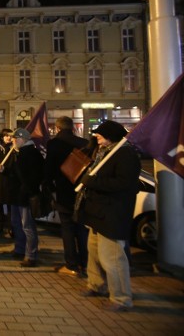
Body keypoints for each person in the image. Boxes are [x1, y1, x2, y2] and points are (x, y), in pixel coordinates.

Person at [77, 120, 140, 312]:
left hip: (113, 213)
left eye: (100, 134)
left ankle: (121, 298)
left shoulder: (125, 153)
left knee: (112, 258)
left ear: (111, 135)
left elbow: (123, 183)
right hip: (98, 212)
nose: (95, 136)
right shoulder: (105, 152)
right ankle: (96, 285)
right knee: (94, 252)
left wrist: (93, 181)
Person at [44, 116, 89, 276]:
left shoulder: (54, 144)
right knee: (82, 229)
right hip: (82, 191)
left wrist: (49, 187)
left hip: (63, 191)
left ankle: (71, 264)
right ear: (73, 128)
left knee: (67, 228)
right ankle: (85, 263)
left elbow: (49, 168)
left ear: (57, 128)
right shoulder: (84, 143)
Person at [0, 128, 43, 267]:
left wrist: (27, 190)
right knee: (17, 224)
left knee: (27, 226)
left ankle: (31, 255)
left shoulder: (32, 154)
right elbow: (15, 174)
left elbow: (31, 177)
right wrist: (4, 170)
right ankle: (20, 249)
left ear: (23, 139)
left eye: (16, 138)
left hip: (25, 196)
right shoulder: (20, 153)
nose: (13, 141)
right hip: (16, 196)